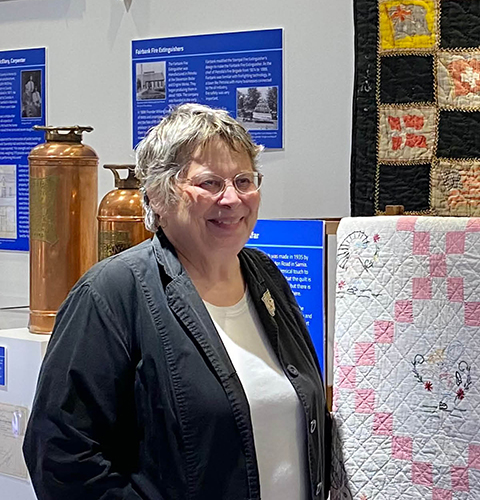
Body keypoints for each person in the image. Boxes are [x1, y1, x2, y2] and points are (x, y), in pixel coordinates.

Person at [23, 103, 348, 500]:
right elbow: (62, 459)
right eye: (210, 183)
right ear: (158, 195)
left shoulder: (265, 277)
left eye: (244, 180)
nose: (232, 199)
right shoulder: (111, 293)